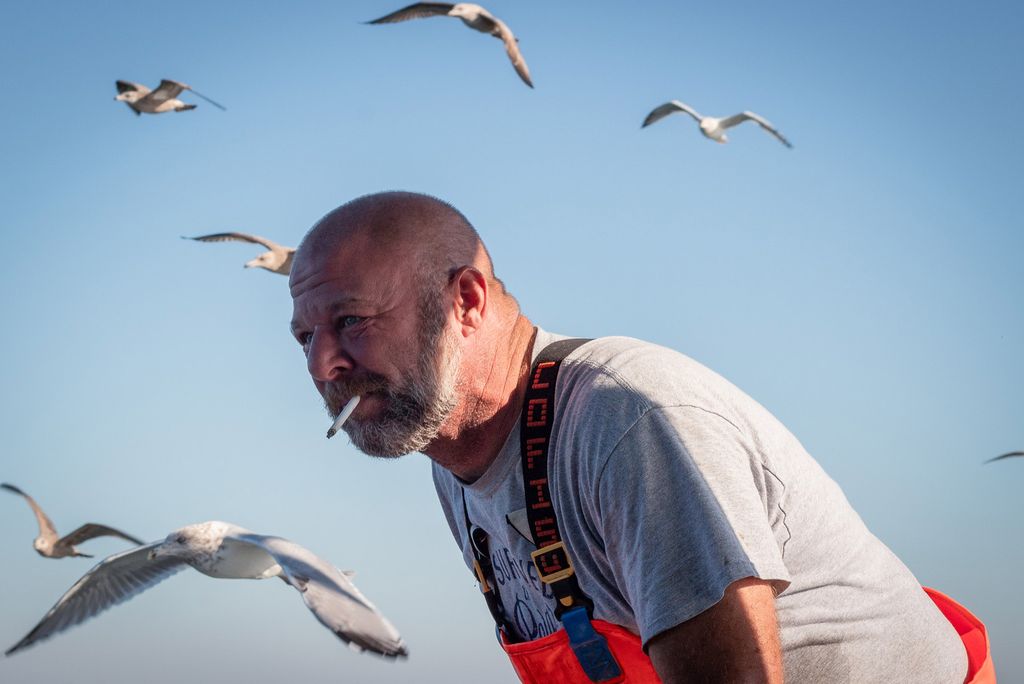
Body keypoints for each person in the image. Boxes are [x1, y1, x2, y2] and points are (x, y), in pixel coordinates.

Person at [289, 191, 988, 683]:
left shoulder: (625, 423)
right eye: (305, 336)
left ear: (465, 302)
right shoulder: (455, 460)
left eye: (352, 321)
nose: (325, 365)